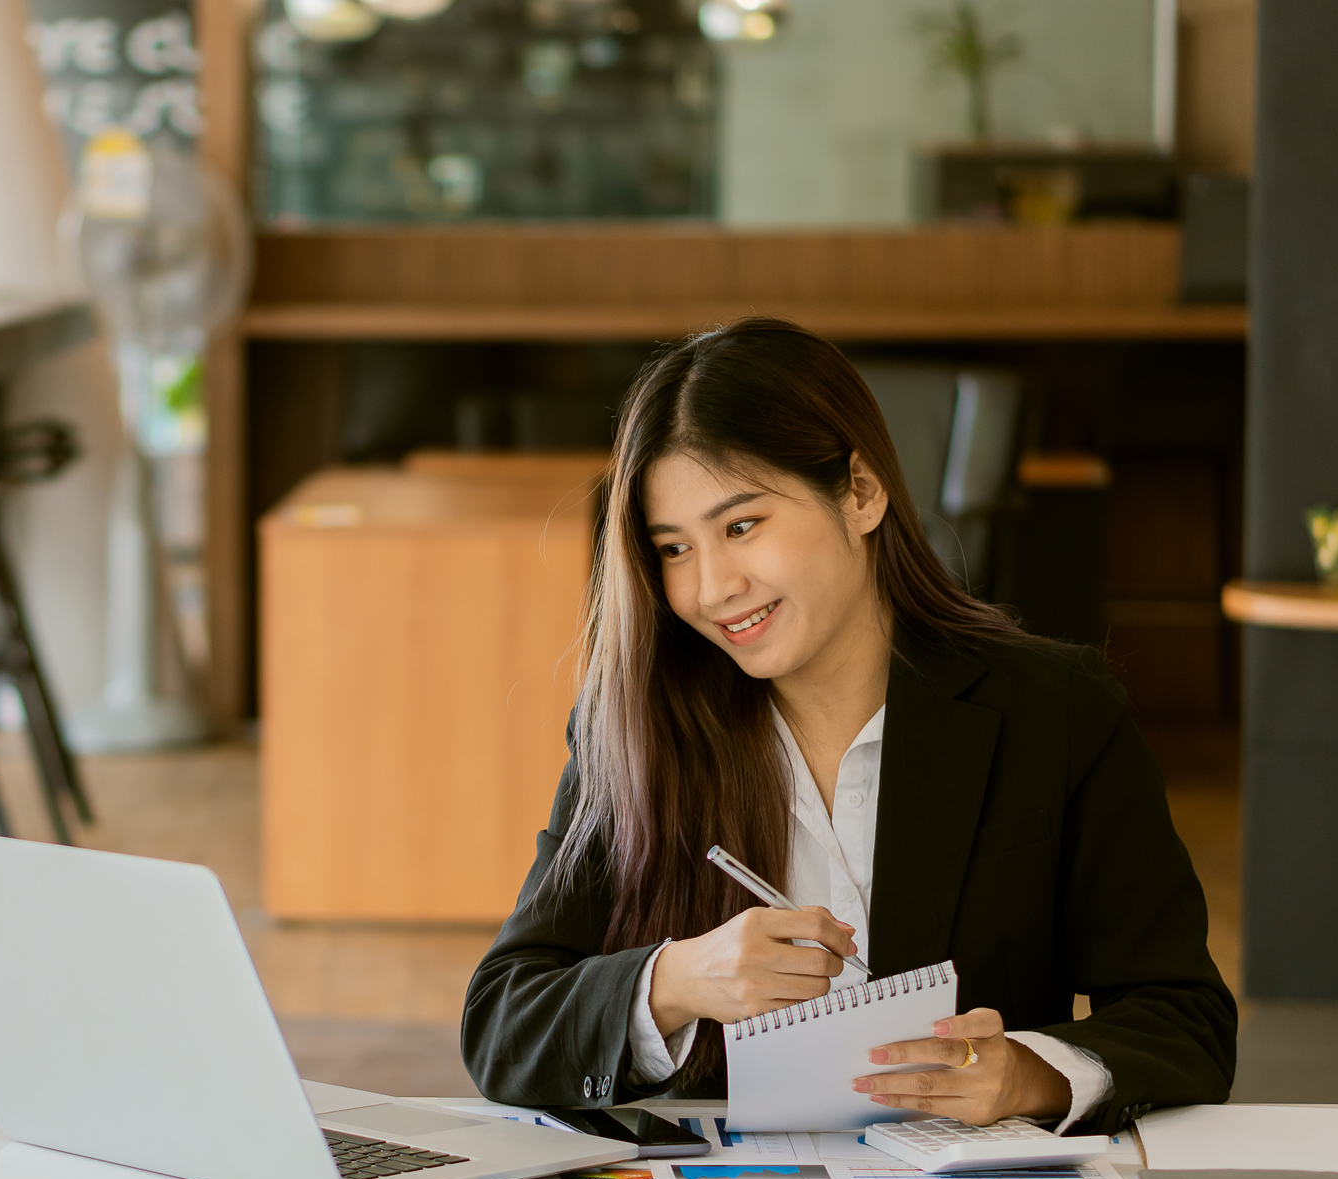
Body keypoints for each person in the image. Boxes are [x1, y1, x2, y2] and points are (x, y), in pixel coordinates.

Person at [460, 318, 1235, 1133]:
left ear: (860, 493)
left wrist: (1026, 1073)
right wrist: (679, 977)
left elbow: (1184, 1018)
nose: (713, 586)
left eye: (740, 525)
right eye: (672, 548)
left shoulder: (1056, 710)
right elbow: (504, 1023)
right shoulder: (636, 727)